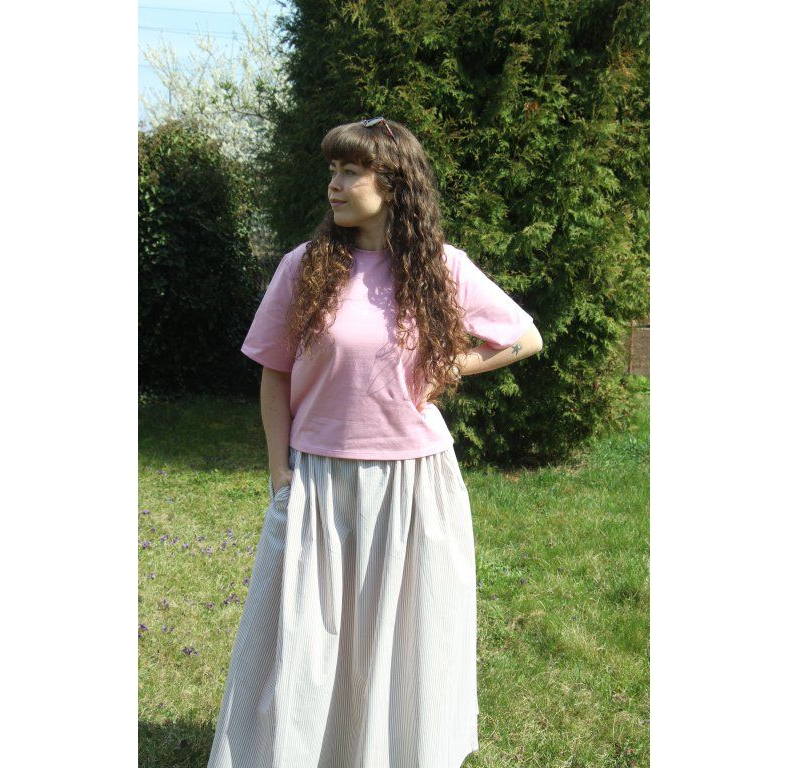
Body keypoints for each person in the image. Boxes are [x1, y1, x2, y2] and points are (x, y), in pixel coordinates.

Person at [206, 117, 543, 768]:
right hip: (320, 479)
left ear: (392, 184)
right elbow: (274, 373)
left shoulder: (440, 267)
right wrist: (279, 472)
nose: (334, 184)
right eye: (331, 170)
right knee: (303, 639)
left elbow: (524, 335)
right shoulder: (304, 267)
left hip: (415, 483)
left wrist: (453, 367)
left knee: (406, 637)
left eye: (350, 172)